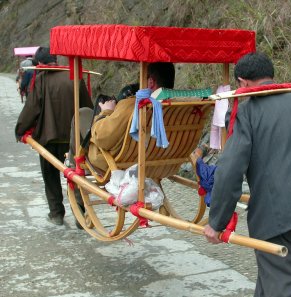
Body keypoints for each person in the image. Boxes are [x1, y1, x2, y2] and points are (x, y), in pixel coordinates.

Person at [203, 52, 291, 297]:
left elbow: (230, 170)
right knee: (275, 277)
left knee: (281, 285)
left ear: (243, 82)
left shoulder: (247, 110)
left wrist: (217, 222)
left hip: (275, 216)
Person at [15, 46, 93, 226]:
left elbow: (32, 108)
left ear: (40, 63)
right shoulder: (75, 77)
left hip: (49, 139)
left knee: (50, 176)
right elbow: (87, 108)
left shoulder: (41, 79)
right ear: (55, 60)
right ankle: (81, 214)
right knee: (76, 174)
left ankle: (57, 213)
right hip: (74, 139)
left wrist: (20, 130)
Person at [87, 62, 175, 171]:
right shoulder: (180, 107)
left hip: (119, 163)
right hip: (159, 163)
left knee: (83, 113)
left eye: (142, 77)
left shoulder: (132, 106)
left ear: (151, 82)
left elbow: (100, 137)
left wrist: (107, 112)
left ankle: (74, 166)